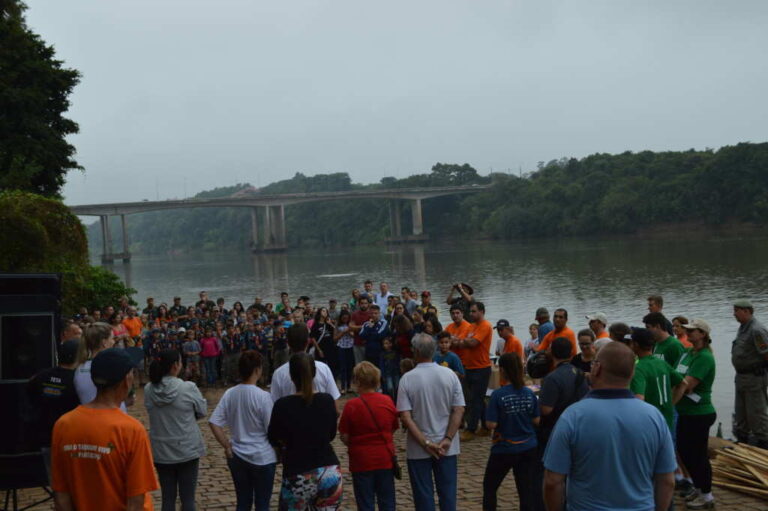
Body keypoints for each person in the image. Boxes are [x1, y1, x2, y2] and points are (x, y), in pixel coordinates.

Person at [543, 342, 676, 511]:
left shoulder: (573, 416)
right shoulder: (654, 416)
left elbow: (553, 481)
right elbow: (667, 481)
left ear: (597, 369)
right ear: (632, 372)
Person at [51, 348, 157, 511]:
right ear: (126, 380)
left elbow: (61, 494)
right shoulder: (131, 430)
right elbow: (135, 501)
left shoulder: (63, 424)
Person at [397, 334, 465, 511]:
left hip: (418, 447)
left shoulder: (407, 379)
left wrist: (425, 443)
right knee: (448, 494)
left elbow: (405, 416)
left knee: (423, 495)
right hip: (447, 446)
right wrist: (448, 438)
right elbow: (459, 409)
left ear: (416, 351)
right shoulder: (450, 375)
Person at [269, 353, 342, 510]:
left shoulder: (283, 405)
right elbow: (331, 434)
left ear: (291, 375)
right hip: (328, 472)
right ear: (314, 373)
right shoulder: (327, 400)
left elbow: (274, 436)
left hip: (298, 473)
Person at [210, 351, 277, 511]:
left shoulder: (230, 393)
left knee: (243, 501)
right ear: (257, 370)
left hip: (238, 455)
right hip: (262, 456)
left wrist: (226, 446)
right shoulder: (263, 396)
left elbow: (214, 422)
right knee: (262, 504)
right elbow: (271, 429)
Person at [145, 350, 207, 511]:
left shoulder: (148, 389)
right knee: (188, 500)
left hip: (161, 449)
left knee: (167, 498)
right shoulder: (188, 387)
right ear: (175, 366)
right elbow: (202, 411)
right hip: (186, 447)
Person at [339, 362, 400, 511]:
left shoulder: (352, 405)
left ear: (357, 381)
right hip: (385, 458)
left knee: (365, 502)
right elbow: (393, 427)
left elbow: (344, 435)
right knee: (387, 501)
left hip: (361, 460)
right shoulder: (387, 401)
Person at [483, 352, 540, 511]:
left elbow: (491, 424)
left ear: (502, 370)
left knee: (490, 488)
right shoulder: (529, 393)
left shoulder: (498, 395)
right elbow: (536, 420)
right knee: (525, 491)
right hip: (528, 446)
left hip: (504, 447)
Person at [675, 319, 717, 509]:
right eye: (688, 330)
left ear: (702, 334)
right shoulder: (688, 352)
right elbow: (676, 376)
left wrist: (674, 395)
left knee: (697, 455)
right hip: (685, 412)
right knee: (685, 452)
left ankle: (707, 495)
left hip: (699, 413)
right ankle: (698, 488)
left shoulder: (705, 357)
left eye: (692, 331)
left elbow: (687, 385)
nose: (688, 333)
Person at [26, 340, 81, 479]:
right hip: (71, 439)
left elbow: (30, 396)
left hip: (46, 437)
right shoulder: (77, 380)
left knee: (56, 482)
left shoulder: (41, 376)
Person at [629, 328, 687, 432]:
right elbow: (683, 384)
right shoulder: (661, 363)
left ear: (636, 344)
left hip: (649, 424)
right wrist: (671, 404)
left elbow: (639, 398)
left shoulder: (638, 368)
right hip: (667, 419)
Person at [453, 302, 493, 442]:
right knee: (476, 398)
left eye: (474, 311)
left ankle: (471, 429)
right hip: (469, 367)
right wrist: (463, 341)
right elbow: (458, 342)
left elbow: (472, 343)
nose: (471, 314)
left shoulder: (485, 326)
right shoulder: (471, 326)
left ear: (482, 312)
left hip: (481, 367)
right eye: (470, 311)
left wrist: (463, 341)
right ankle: (486, 427)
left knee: (476, 399)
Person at [271, 324, 341, 404]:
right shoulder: (323, 368)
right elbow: (334, 402)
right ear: (308, 341)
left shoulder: (279, 374)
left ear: (288, 343)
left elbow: (274, 405)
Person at [731, 299, 768, 448]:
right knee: (741, 414)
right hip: (742, 377)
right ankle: (742, 442)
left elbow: (766, 354)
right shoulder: (743, 327)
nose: (734, 314)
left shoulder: (756, 330)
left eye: (736, 311)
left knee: (756, 414)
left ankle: (763, 444)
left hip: (754, 378)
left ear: (746, 311)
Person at [74, 322, 128, 411]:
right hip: (111, 418)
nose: (114, 342)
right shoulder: (111, 366)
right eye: (112, 338)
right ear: (104, 343)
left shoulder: (79, 367)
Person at [335, 310, 356, 393]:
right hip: (341, 347)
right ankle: (343, 387)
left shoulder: (351, 324)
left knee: (350, 367)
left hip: (350, 347)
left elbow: (354, 335)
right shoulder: (338, 325)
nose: (345, 319)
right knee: (343, 367)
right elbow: (335, 338)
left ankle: (349, 386)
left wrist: (350, 330)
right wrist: (343, 332)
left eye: (347, 318)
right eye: (344, 318)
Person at [351, 296, 373, 365]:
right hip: (357, 343)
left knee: (369, 365)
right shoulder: (354, 314)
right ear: (359, 304)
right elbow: (351, 327)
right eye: (362, 303)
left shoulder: (372, 314)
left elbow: (372, 327)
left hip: (369, 344)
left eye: (365, 303)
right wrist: (364, 326)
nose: (364, 305)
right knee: (359, 365)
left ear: (368, 304)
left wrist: (357, 328)